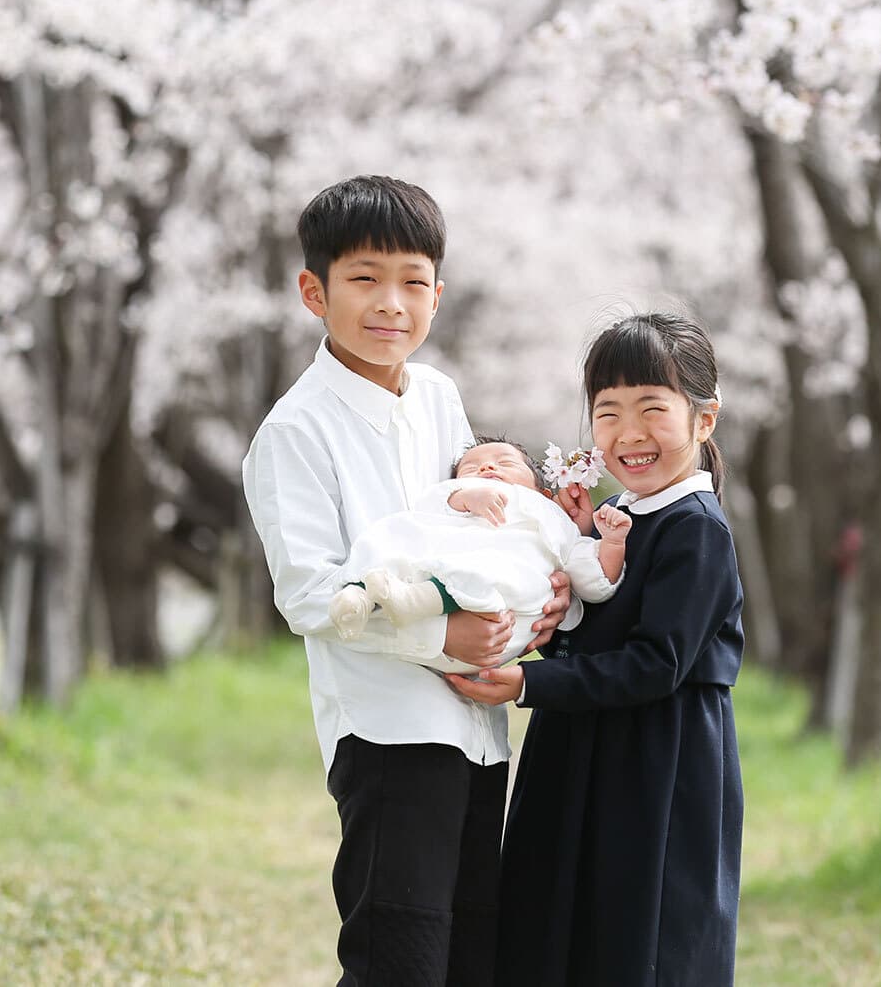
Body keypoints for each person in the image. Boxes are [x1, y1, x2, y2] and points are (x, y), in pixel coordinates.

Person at [241, 175, 572, 987]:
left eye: (413, 282)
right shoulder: (296, 431)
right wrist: (441, 635)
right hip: (387, 728)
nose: (392, 303)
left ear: (439, 294)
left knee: (470, 948)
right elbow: (309, 591)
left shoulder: (437, 397)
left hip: (475, 725)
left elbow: (473, 525)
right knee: (400, 954)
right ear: (314, 290)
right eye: (365, 279)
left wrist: (543, 589)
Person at [447, 312, 745, 987]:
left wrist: (527, 684)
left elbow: (655, 664)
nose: (628, 434)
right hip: (583, 750)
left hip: (656, 768)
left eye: (651, 408)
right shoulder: (621, 520)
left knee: (635, 942)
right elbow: (592, 636)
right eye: (607, 412)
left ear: (704, 420)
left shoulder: (697, 530)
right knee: (557, 929)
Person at [329, 437, 632, 674]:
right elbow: (426, 507)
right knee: (392, 531)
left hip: (495, 622)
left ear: (543, 493)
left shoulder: (552, 517)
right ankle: (360, 595)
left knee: (502, 569)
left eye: (504, 463)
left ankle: (416, 600)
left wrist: (611, 543)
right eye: (472, 468)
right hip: (440, 613)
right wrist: (461, 496)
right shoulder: (453, 501)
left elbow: (591, 581)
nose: (487, 469)